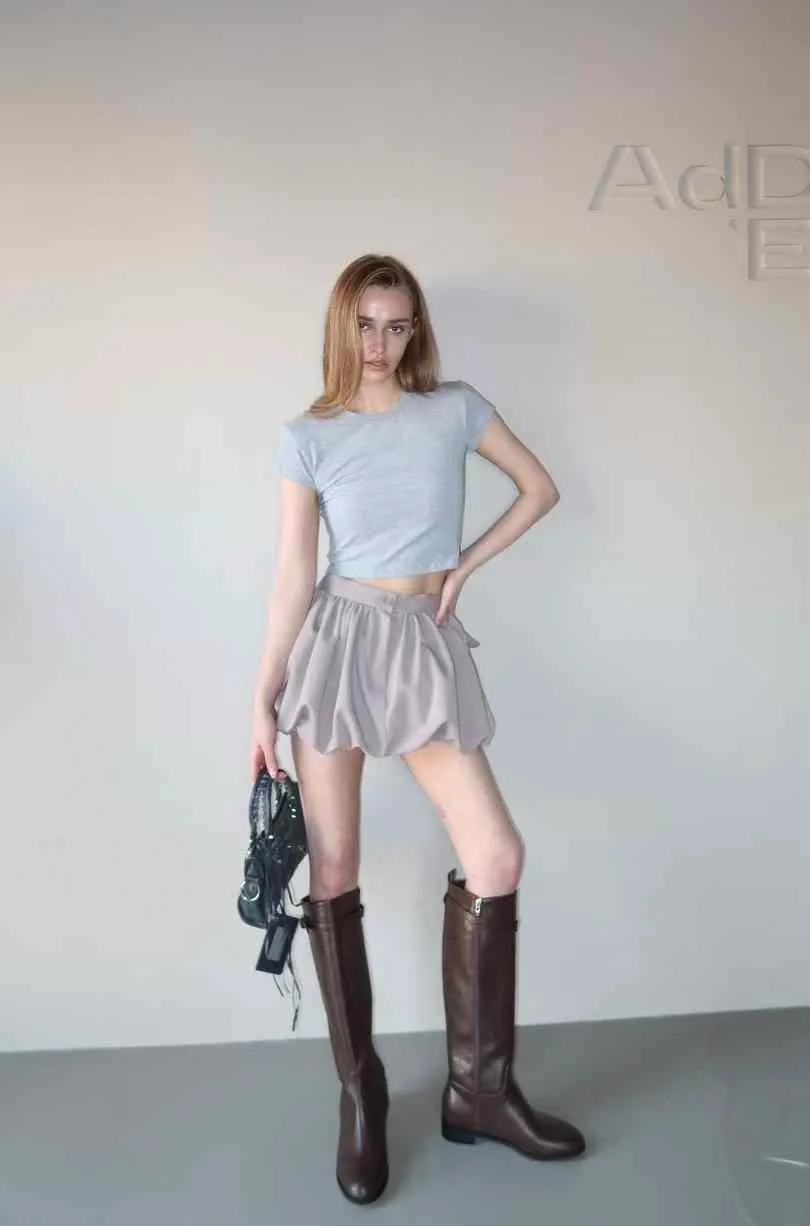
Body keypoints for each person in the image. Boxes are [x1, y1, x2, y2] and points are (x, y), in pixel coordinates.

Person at [250, 254, 586, 1205]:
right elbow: (293, 573)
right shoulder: (307, 436)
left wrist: (463, 567)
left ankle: (480, 1092)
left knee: (496, 857)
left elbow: (539, 488)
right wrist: (260, 698)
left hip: (418, 642)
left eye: (397, 326)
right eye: (365, 324)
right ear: (340, 325)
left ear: (416, 330)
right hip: (337, 642)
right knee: (334, 868)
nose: (380, 344)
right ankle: (361, 1095)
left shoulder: (455, 410)